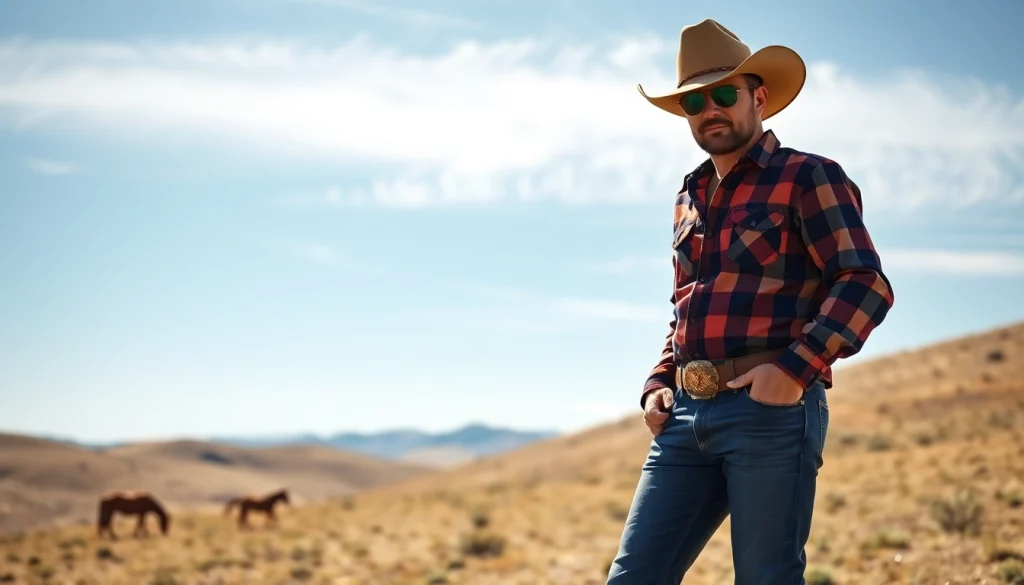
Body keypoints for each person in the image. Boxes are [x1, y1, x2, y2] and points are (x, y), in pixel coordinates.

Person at [605, 18, 895, 585]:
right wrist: (659, 380)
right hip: (685, 415)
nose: (709, 110)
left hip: (769, 414)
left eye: (723, 94)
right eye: (694, 101)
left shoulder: (808, 177)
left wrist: (793, 370)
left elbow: (864, 283)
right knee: (633, 577)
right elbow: (686, 305)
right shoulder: (689, 195)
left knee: (766, 578)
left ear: (758, 98)